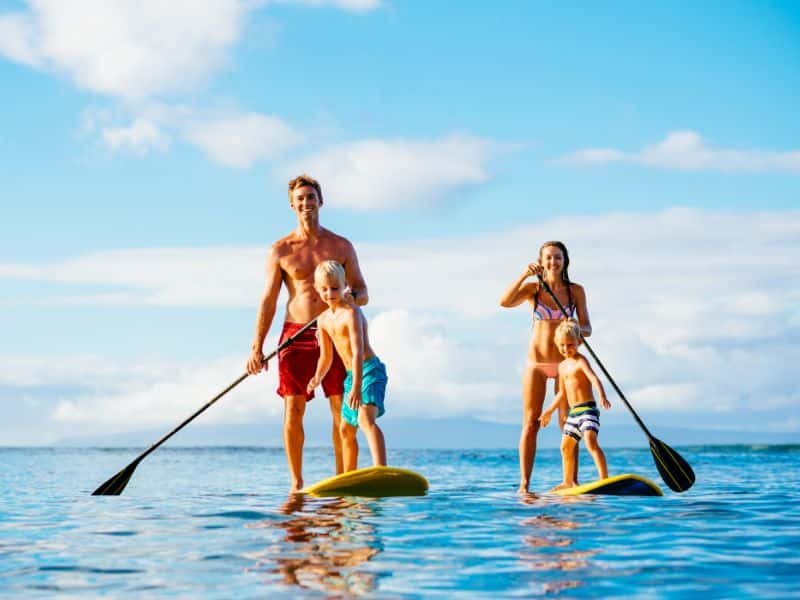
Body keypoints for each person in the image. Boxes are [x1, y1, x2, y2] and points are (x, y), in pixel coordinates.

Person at [247, 174, 368, 493]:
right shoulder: (281, 250)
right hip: (294, 336)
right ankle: (297, 483)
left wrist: (349, 298)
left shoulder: (341, 246)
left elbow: (362, 291)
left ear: (320, 201)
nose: (306, 203)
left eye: (311, 197)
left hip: (335, 331)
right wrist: (256, 347)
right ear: (292, 205)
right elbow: (269, 299)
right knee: (294, 408)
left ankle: (344, 478)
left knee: (342, 407)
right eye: (300, 198)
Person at [499, 241, 592, 494]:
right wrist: (523, 275)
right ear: (541, 262)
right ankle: (525, 485)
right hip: (536, 364)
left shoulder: (576, 292)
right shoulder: (534, 290)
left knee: (568, 423)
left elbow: (588, 329)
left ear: (565, 261)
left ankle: (570, 482)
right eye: (548, 258)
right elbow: (504, 302)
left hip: (566, 365)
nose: (553, 262)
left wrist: (575, 328)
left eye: (558, 257)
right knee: (531, 423)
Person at [307, 260, 388, 472]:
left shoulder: (351, 313)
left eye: (335, 288)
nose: (330, 293)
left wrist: (356, 387)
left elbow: (358, 351)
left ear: (345, 287)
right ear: (316, 288)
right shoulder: (323, 320)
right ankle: (349, 476)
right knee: (345, 429)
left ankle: (381, 470)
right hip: (352, 376)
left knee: (364, 418)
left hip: (369, 370)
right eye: (324, 289)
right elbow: (326, 357)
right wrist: (317, 377)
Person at [539, 320, 611, 490]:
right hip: (573, 414)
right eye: (562, 345)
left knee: (590, 441)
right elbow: (562, 394)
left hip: (587, 410)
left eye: (570, 344)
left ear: (579, 342)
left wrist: (602, 395)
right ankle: (568, 481)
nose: (566, 349)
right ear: (557, 345)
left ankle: (604, 479)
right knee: (565, 447)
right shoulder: (562, 366)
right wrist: (548, 411)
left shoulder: (581, 361)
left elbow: (594, 378)